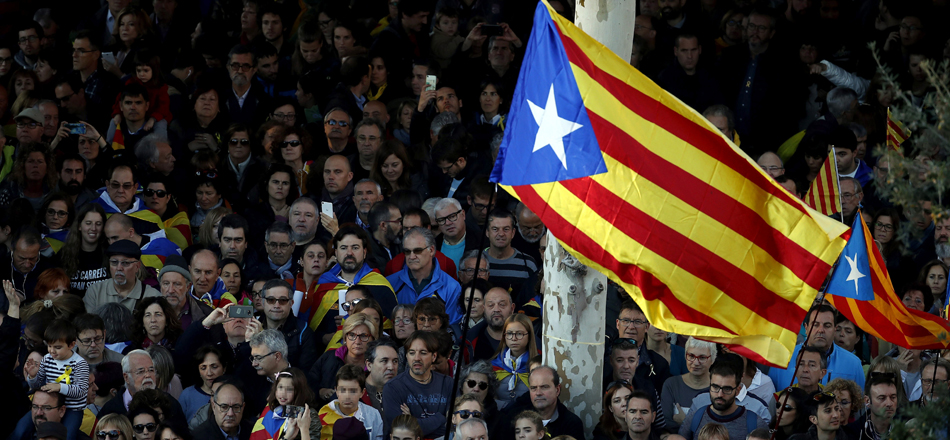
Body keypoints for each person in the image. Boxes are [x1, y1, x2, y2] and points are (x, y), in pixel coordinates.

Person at [768, 305, 866, 391]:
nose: (821, 330)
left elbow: (860, 408)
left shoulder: (853, 364)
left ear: (835, 330)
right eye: (815, 324)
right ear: (806, 328)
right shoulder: (782, 358)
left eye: (827, 326)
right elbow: (772, 404)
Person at [25, 319, 89, 440]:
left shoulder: (80, 364)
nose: (52, 351)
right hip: (49, 406)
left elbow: (81, 391)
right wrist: (33, 376)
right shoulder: (47, 359)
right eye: (49, 346)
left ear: (71, 345)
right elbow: (36, 385)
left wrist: (59, 387)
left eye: (57, 347)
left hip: (72, 409)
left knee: (67, 436)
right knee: (21, 430)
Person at [382, 331, 453, 438]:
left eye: (423, 353)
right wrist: (441, 418)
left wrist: (413, 421)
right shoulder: (393, 387)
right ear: (406, 356)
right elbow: (402, 433)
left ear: (434, 356)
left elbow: (453, 427)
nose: (416, 358)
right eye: (411, 353)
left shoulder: (448, 384)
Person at [678, 356, 767, 440]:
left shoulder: (755, 424)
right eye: (715, 387)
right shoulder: (695, 419)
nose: (720, 394)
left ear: (738, 390)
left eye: (727, 389)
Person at [387, 227, 463, 324]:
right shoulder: (390, 283)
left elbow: (453, 329)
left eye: (417, 251)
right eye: (407, 251)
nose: (411, 256)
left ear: (431, 250)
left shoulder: (452, 287)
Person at [310, 312, 378, 401]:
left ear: (373, 339)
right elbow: (309, 385)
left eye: (363, 336)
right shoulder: (328, 357)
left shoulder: (377, 365)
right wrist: (319, 391)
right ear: (345, 338)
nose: (357, 341)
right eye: (352, 335)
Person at [83, 239, 162, 314]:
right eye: (114, 262)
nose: (119, 268)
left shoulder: (152, 296)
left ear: (137, 267)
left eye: (125, 263)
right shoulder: (95, 292)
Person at [661, 337, 717, 432]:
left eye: (702, 358)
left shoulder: (719, 388)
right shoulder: (671, 384)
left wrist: (685, 421)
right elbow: (665, 424)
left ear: (712, 359)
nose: (695, 362)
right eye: (691, 356)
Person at [318, 365, 384, 440]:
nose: (347, 396)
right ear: (336, 391)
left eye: (353, 391)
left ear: (362, 392)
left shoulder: (373, 415)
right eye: (342, 390)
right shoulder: (324, 413)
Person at [251, 367, 319, 440]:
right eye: (280, 387)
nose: (283, 394)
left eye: (289, 389)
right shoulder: (272, 410)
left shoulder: (308, 414)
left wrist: (303, 429)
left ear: (299, 392)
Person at [103, 213, 180, 272]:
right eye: (108, 239)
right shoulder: (110, 256)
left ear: (131, 232)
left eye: (115, 238)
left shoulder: (165, 248)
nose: (111, 243)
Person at [492, 314, 538, 409]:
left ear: (529, 336)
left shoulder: (538, 366)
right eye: (509, 333)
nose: (513, 338)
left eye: (519, 334)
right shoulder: (494, 366)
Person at [178, 346, 226, 421]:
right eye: (203, 368)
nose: (209, 373)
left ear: (224, 368)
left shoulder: (233, 393)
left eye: (214, 367)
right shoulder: (187, 395)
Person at [846, 375, 897, 440]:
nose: (889, 403)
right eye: (881, 398)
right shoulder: (852, 432)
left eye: (893, 397)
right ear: (867, 401)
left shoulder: (906, 428)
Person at [363, 338, 399, 417]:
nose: (391, 367)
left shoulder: (404, 392)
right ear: (369, 365)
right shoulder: (353, 391)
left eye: (395, 361)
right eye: (384, 361)